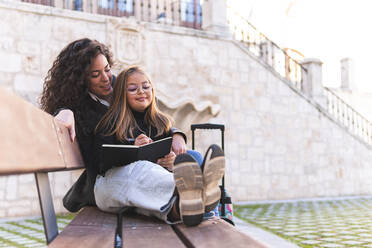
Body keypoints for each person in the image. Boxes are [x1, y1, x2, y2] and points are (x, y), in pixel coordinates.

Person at [40, 38, 187, 212]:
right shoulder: (80, 109)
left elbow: (152, 115)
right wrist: (64, 111)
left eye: (107, 69)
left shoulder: (123, 85)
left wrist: (175, 134)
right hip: (110, 177)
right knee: (141, 170)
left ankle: (192, 196)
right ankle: (188, 191)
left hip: (138, 169)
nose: (106, 79)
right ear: (80, 80)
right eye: (95, 75)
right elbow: (99, 156)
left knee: (190, 157)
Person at [92, 65, 225, 225]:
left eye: (146, 87)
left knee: (193, 156)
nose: (141, 92)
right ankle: (200, 199)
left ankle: (205, 208)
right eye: (133, 89)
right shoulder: (111, 124)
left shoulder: (160, 123)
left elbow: (166, 163)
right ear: (121, 95)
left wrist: (171, 160)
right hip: (117, 185)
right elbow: (103, 163)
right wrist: (133, 149)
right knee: (143, 169)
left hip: (146, 189)